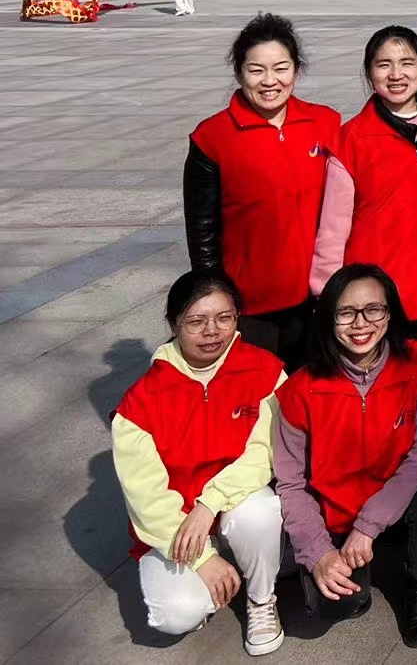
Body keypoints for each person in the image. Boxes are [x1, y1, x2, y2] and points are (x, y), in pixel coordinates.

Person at [274, 265, 417, 648]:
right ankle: (346, 569)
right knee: (334, 606)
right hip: (335, 512)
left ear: (390, 314)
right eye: (346, 312)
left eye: (374, 309)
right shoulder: (300, 389)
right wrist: (317, 552)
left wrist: (369, 526)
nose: (361, 323)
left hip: (396, 502)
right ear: (328, 318)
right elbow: (290, 484)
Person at [112, 270, 287, 655]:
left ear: (238, 318)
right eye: (196, 321)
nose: (212, 331)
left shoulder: (266, 371)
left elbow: (265, 453)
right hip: (175, 523)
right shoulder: (140, 401)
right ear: (173, 324)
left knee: (260, 510)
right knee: (176, 615)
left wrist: (209, 504)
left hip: (232, 505)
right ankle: (212, 575)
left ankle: (261, 599)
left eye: (224, 318)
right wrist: (204, 559)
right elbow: (145, 497)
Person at [185, 14, 342, 367]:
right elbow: (202, 231)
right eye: (256, 70)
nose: (270, 81)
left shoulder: (325, 123)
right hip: (249, 305)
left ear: (296, 70)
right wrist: (217, 298)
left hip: (316, 299)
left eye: (281, 68)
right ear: (239, 72)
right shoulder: (212, 137)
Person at [312, 27, 417, 350]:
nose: (396, 75)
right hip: (379, 296)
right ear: (369, 72)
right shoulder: (351, 138)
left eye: (407, 63)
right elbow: (333, 228)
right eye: (384, 65)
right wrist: (327, 292)